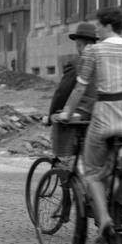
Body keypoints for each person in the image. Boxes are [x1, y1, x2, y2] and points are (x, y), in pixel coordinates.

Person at [53, 7, 122, 244]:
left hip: (105, 115)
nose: (97, 32)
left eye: (99, 27)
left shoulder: (94, 52)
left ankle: (105, 221)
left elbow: (79, 88)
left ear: (107, 26)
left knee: (92, 172)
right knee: (118, 166)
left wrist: (66, 113)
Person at [48, 22, 99, 164]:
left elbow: (62, 93)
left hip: (83, 113)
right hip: (103, 111)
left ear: (79, 44)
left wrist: (50, 115)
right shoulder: (103, 60)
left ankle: (66, 163)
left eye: (77, 45)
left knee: (60, 122)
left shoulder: (76, 62)